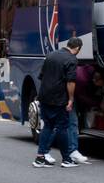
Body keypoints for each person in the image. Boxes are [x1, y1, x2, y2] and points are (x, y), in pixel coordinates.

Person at [34, 36, 82, 169]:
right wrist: (71, 99)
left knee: (47, 126)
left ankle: (40, 158)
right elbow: (70, 82)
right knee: (62, 128)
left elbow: (41, 76)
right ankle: (66, 159)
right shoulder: (72, 59)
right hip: (59, 99)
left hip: (44, 96)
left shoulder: (51, 55)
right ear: (77, 48)